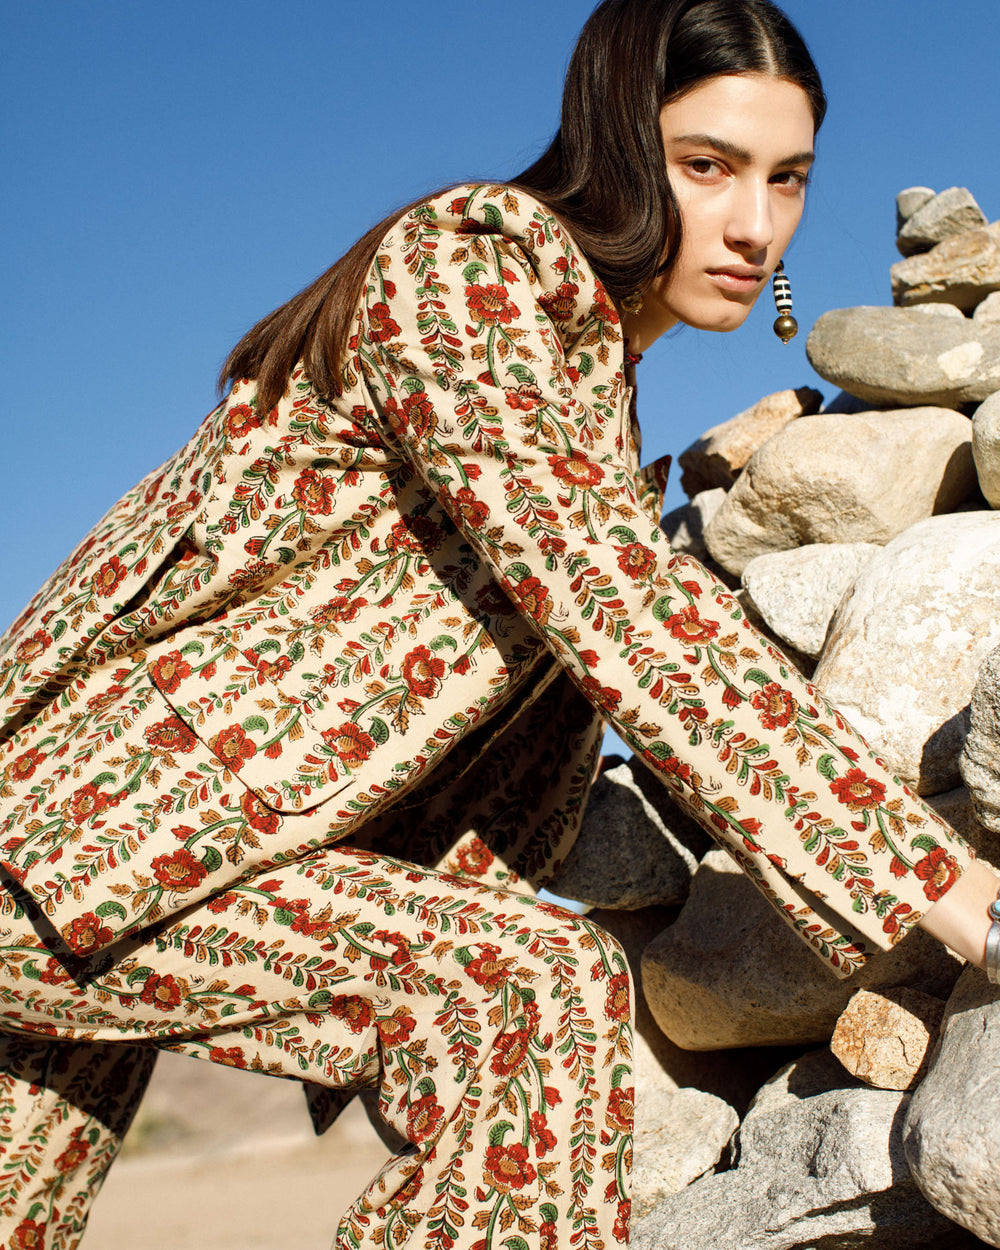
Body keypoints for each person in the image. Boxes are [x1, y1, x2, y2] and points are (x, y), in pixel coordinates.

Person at [1, 1, 997, 1246]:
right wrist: (939, 879)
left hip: (157, 866)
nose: (754, 224)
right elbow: (614, 600)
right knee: (527, 991)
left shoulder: (593, 383)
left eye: (785, 179)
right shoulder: (471, 267)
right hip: (85, 840)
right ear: (617, 145)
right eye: (707, 166)